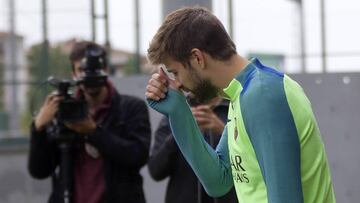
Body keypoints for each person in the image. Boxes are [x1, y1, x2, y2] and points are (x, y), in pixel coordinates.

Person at [145, 7, 336, 203]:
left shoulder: (263, 95)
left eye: (175, 72)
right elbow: (218, 181)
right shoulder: (242, 95)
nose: (177, 84)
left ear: (197, 58)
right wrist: (178, 112)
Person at [28, 41, 151, 203]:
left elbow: (138, 156)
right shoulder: (62, 110)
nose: (88, 75)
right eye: (82, 70)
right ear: (73, 74)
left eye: (93, 69)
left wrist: (93, 132)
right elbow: (39, 171)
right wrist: (38, 128)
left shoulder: (131, 108)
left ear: (105, 70)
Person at [148, 95, 238, 203]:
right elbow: (156, 171)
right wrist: (182, 127)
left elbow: (253, 162)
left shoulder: (235, 108)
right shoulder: (174, 113)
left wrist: (222, 131)